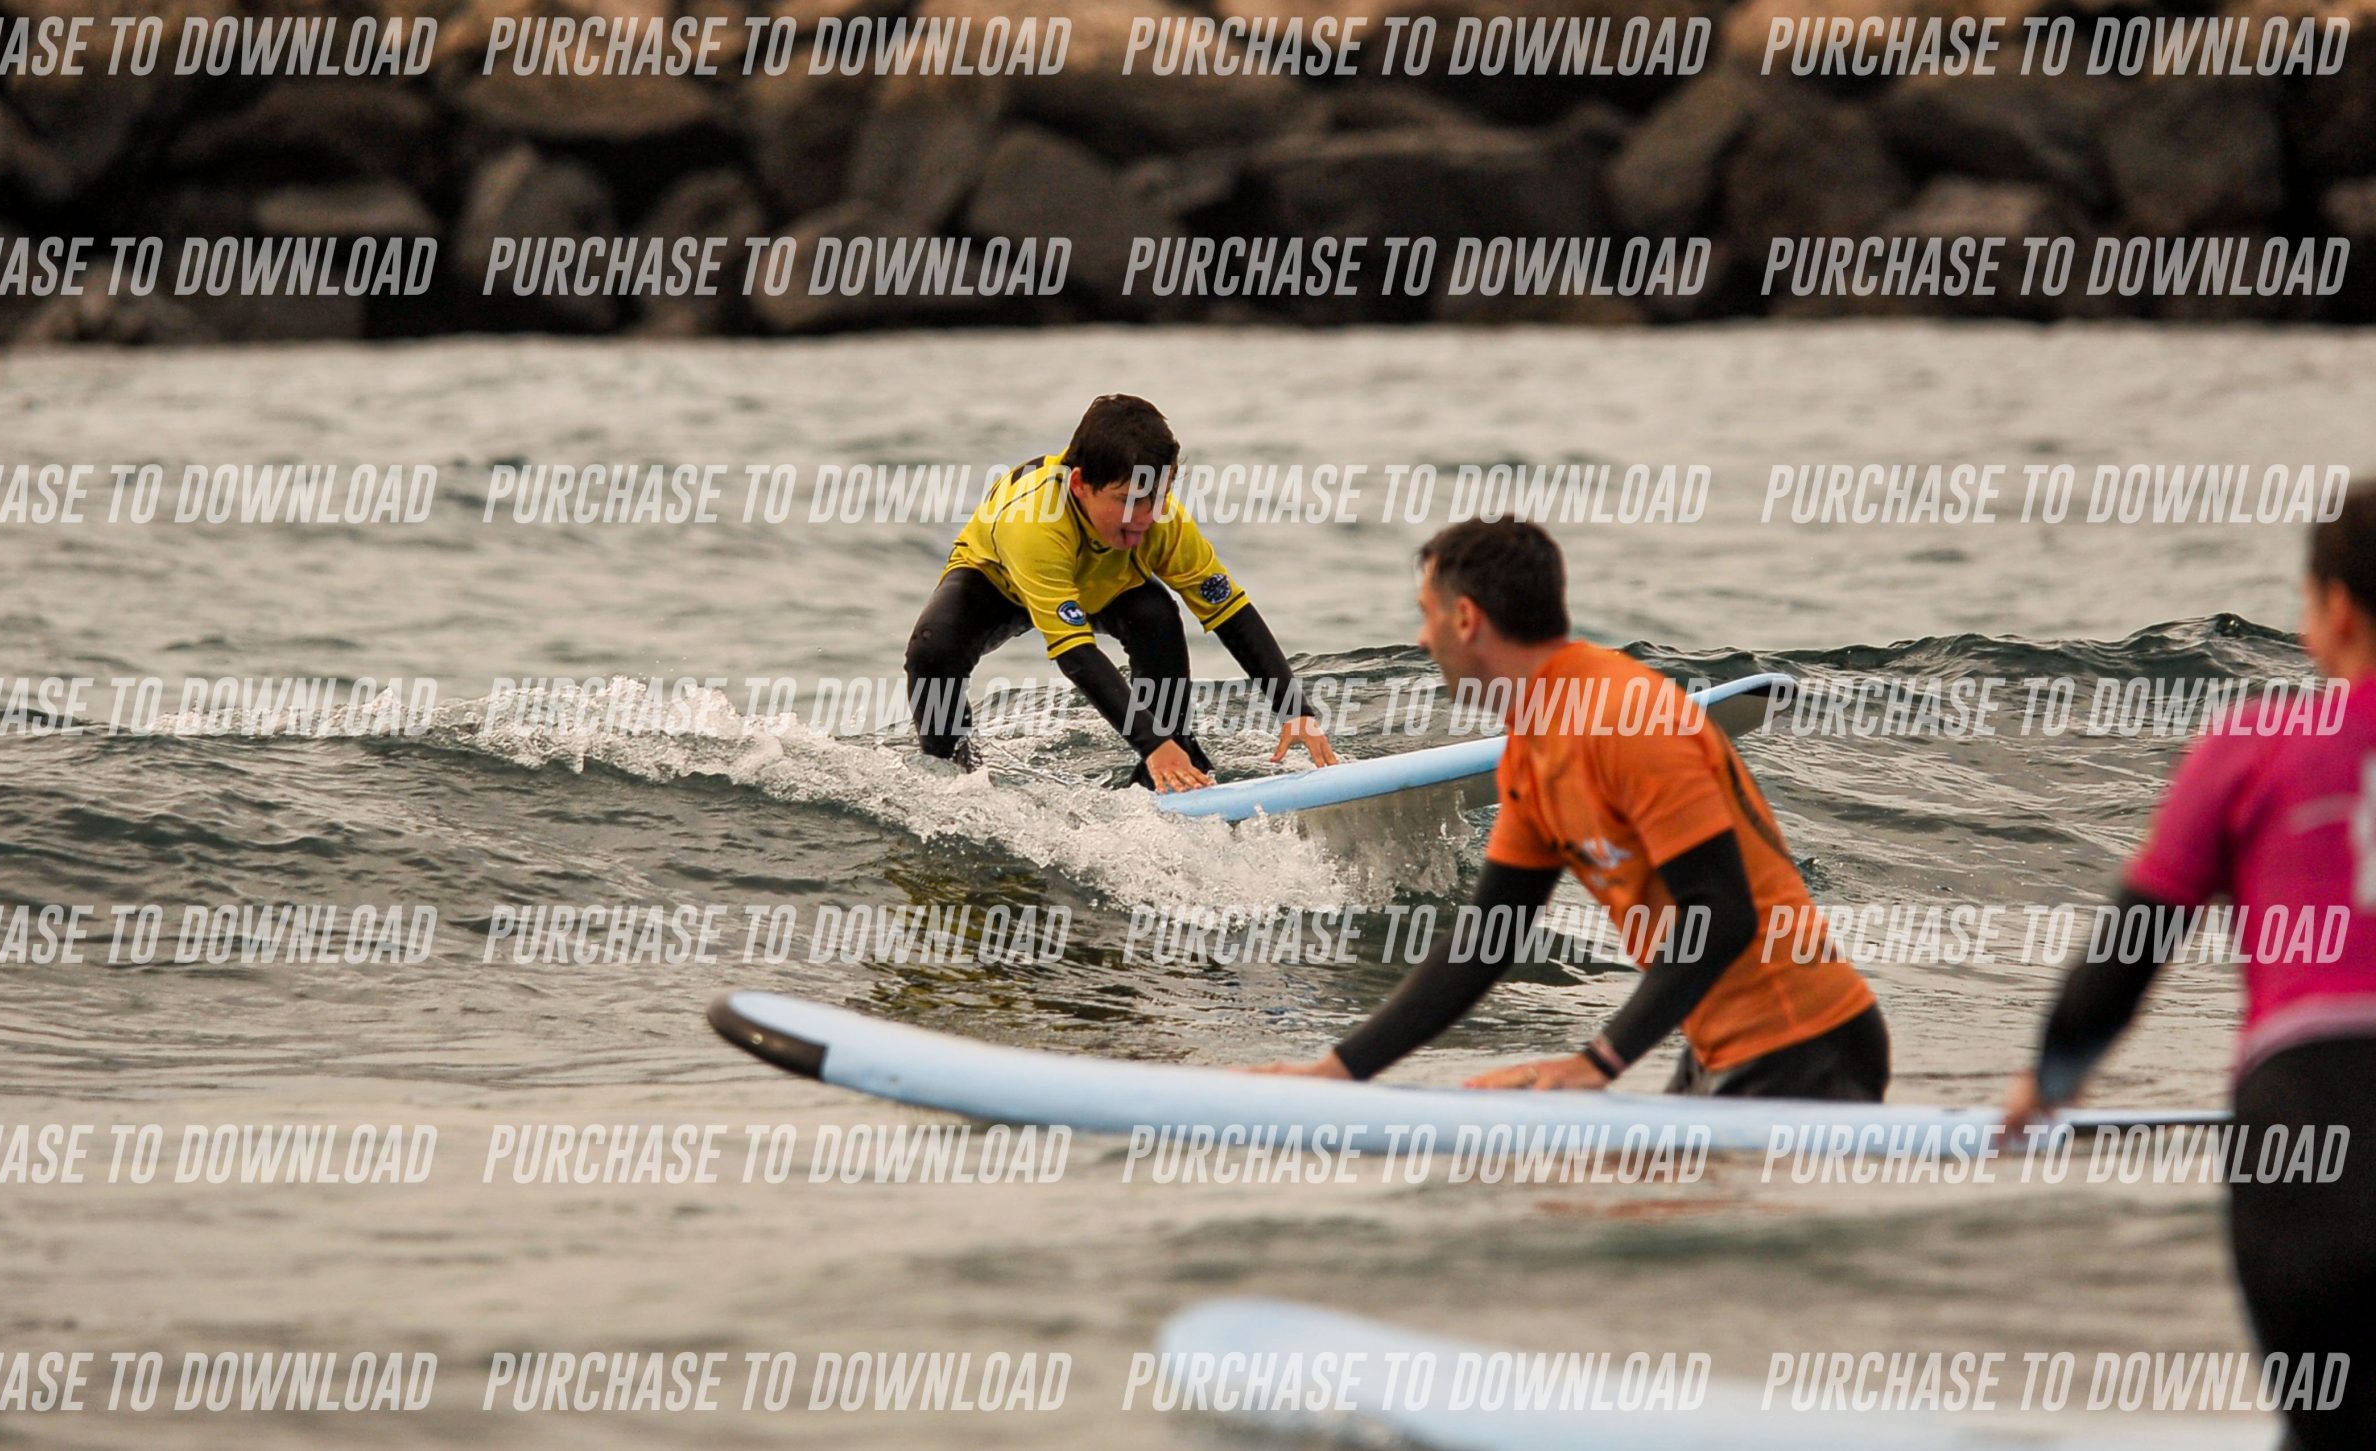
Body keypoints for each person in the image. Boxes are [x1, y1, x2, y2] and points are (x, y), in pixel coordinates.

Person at [1254, 517, 1887, 1097]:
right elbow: (1488, 936)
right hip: (1719, 1048)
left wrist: (1596, 1064)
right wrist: (1338, 1072)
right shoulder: (1534, 745)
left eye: (1427, 615)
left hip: (1810, 1046)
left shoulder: (1625, 718)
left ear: (1466, 619)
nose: (1422, 638)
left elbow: (1722, 914)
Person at [2002, 483, 2376, 1451]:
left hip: (2304, 1121)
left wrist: (2049, 1079)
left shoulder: (2253, 746)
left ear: (2338, 609)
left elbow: (2129, 948)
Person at [905, 394, 1337, 791]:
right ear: (1079, 485)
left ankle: (1172, 767)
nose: (1146, 517)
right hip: (996, 582)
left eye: (1159, 497)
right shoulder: (1032, 523)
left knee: (1154, 614)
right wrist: (1151, 742)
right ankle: (951, 771)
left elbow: (1231, 613)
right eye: (1129, 500)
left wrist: (1295, 710)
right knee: (933, 649)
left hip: (1102, 581)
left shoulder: (1161, 520)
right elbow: (1075, 652)